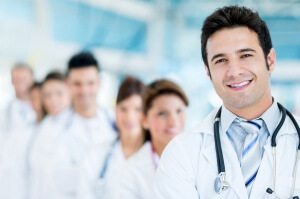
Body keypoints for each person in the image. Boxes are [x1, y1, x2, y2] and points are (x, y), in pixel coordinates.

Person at [154, 5, 300, 199]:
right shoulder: (182, 154)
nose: (234, 71)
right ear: (208, 71)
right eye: (221, 60)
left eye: (245, 55)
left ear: (270, 60)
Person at [29, 52, 117, 199]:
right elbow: (38, 183)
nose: (84, 90)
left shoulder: (115, 125)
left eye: (90, 83)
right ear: (68, 84)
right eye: (77, 84)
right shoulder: (49, 129)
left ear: (100, 82)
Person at [116, 79, 189, 199]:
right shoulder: (130, 171)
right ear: (144, 120)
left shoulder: (201, 157)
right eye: (162, 113)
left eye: (179, 111)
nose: (173, 122)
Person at [77, 76, 146, 199]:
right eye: (123, 109)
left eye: (137, 109)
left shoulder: (155, 158)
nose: (129, 116)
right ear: (115, 110)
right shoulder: (98, 152)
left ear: (146, 113)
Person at [28, 71, 72, 199]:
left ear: (69, 92)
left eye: (59, 93)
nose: (53, 100)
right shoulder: (44, 126)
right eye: (47, 95)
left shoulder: (76, 126)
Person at [4, 63, 35, 131]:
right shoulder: (5, 113)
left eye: (24, 79)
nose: (20, 82)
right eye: (17, 79)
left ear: (32, 80)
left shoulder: (41, 107)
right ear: (12, 81)